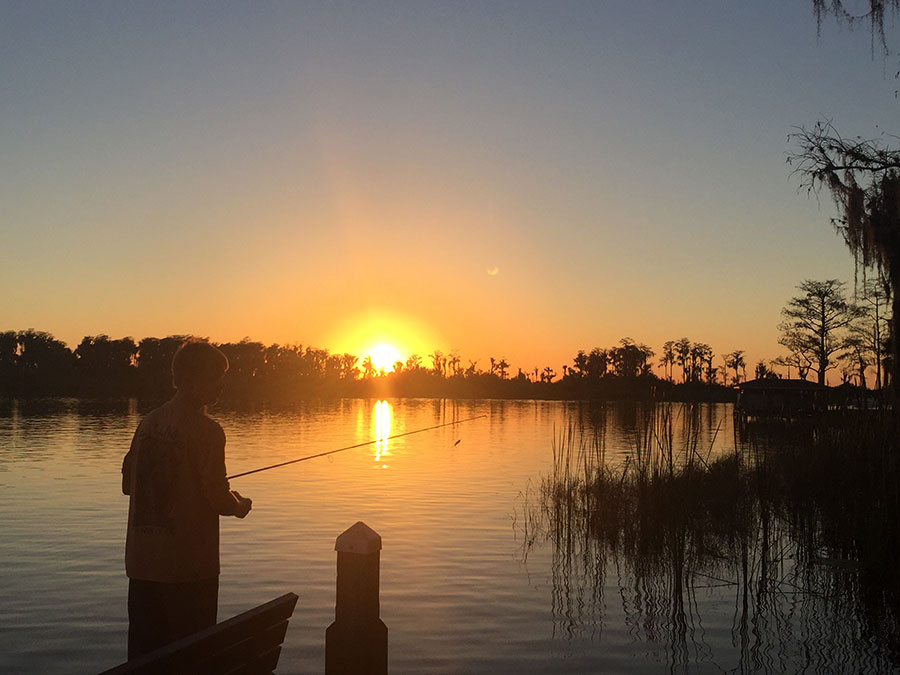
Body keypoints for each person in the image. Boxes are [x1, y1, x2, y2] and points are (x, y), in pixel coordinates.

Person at [122, 338, 252, 659]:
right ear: (191, 380)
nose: (221, 385)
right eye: (215, 377)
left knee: (144, 660)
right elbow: (218, 498)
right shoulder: (208, 432)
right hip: (189, 570)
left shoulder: (147, 424)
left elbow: (128, 485)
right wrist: (238, 505)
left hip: (142, 565)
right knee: (193, 658)